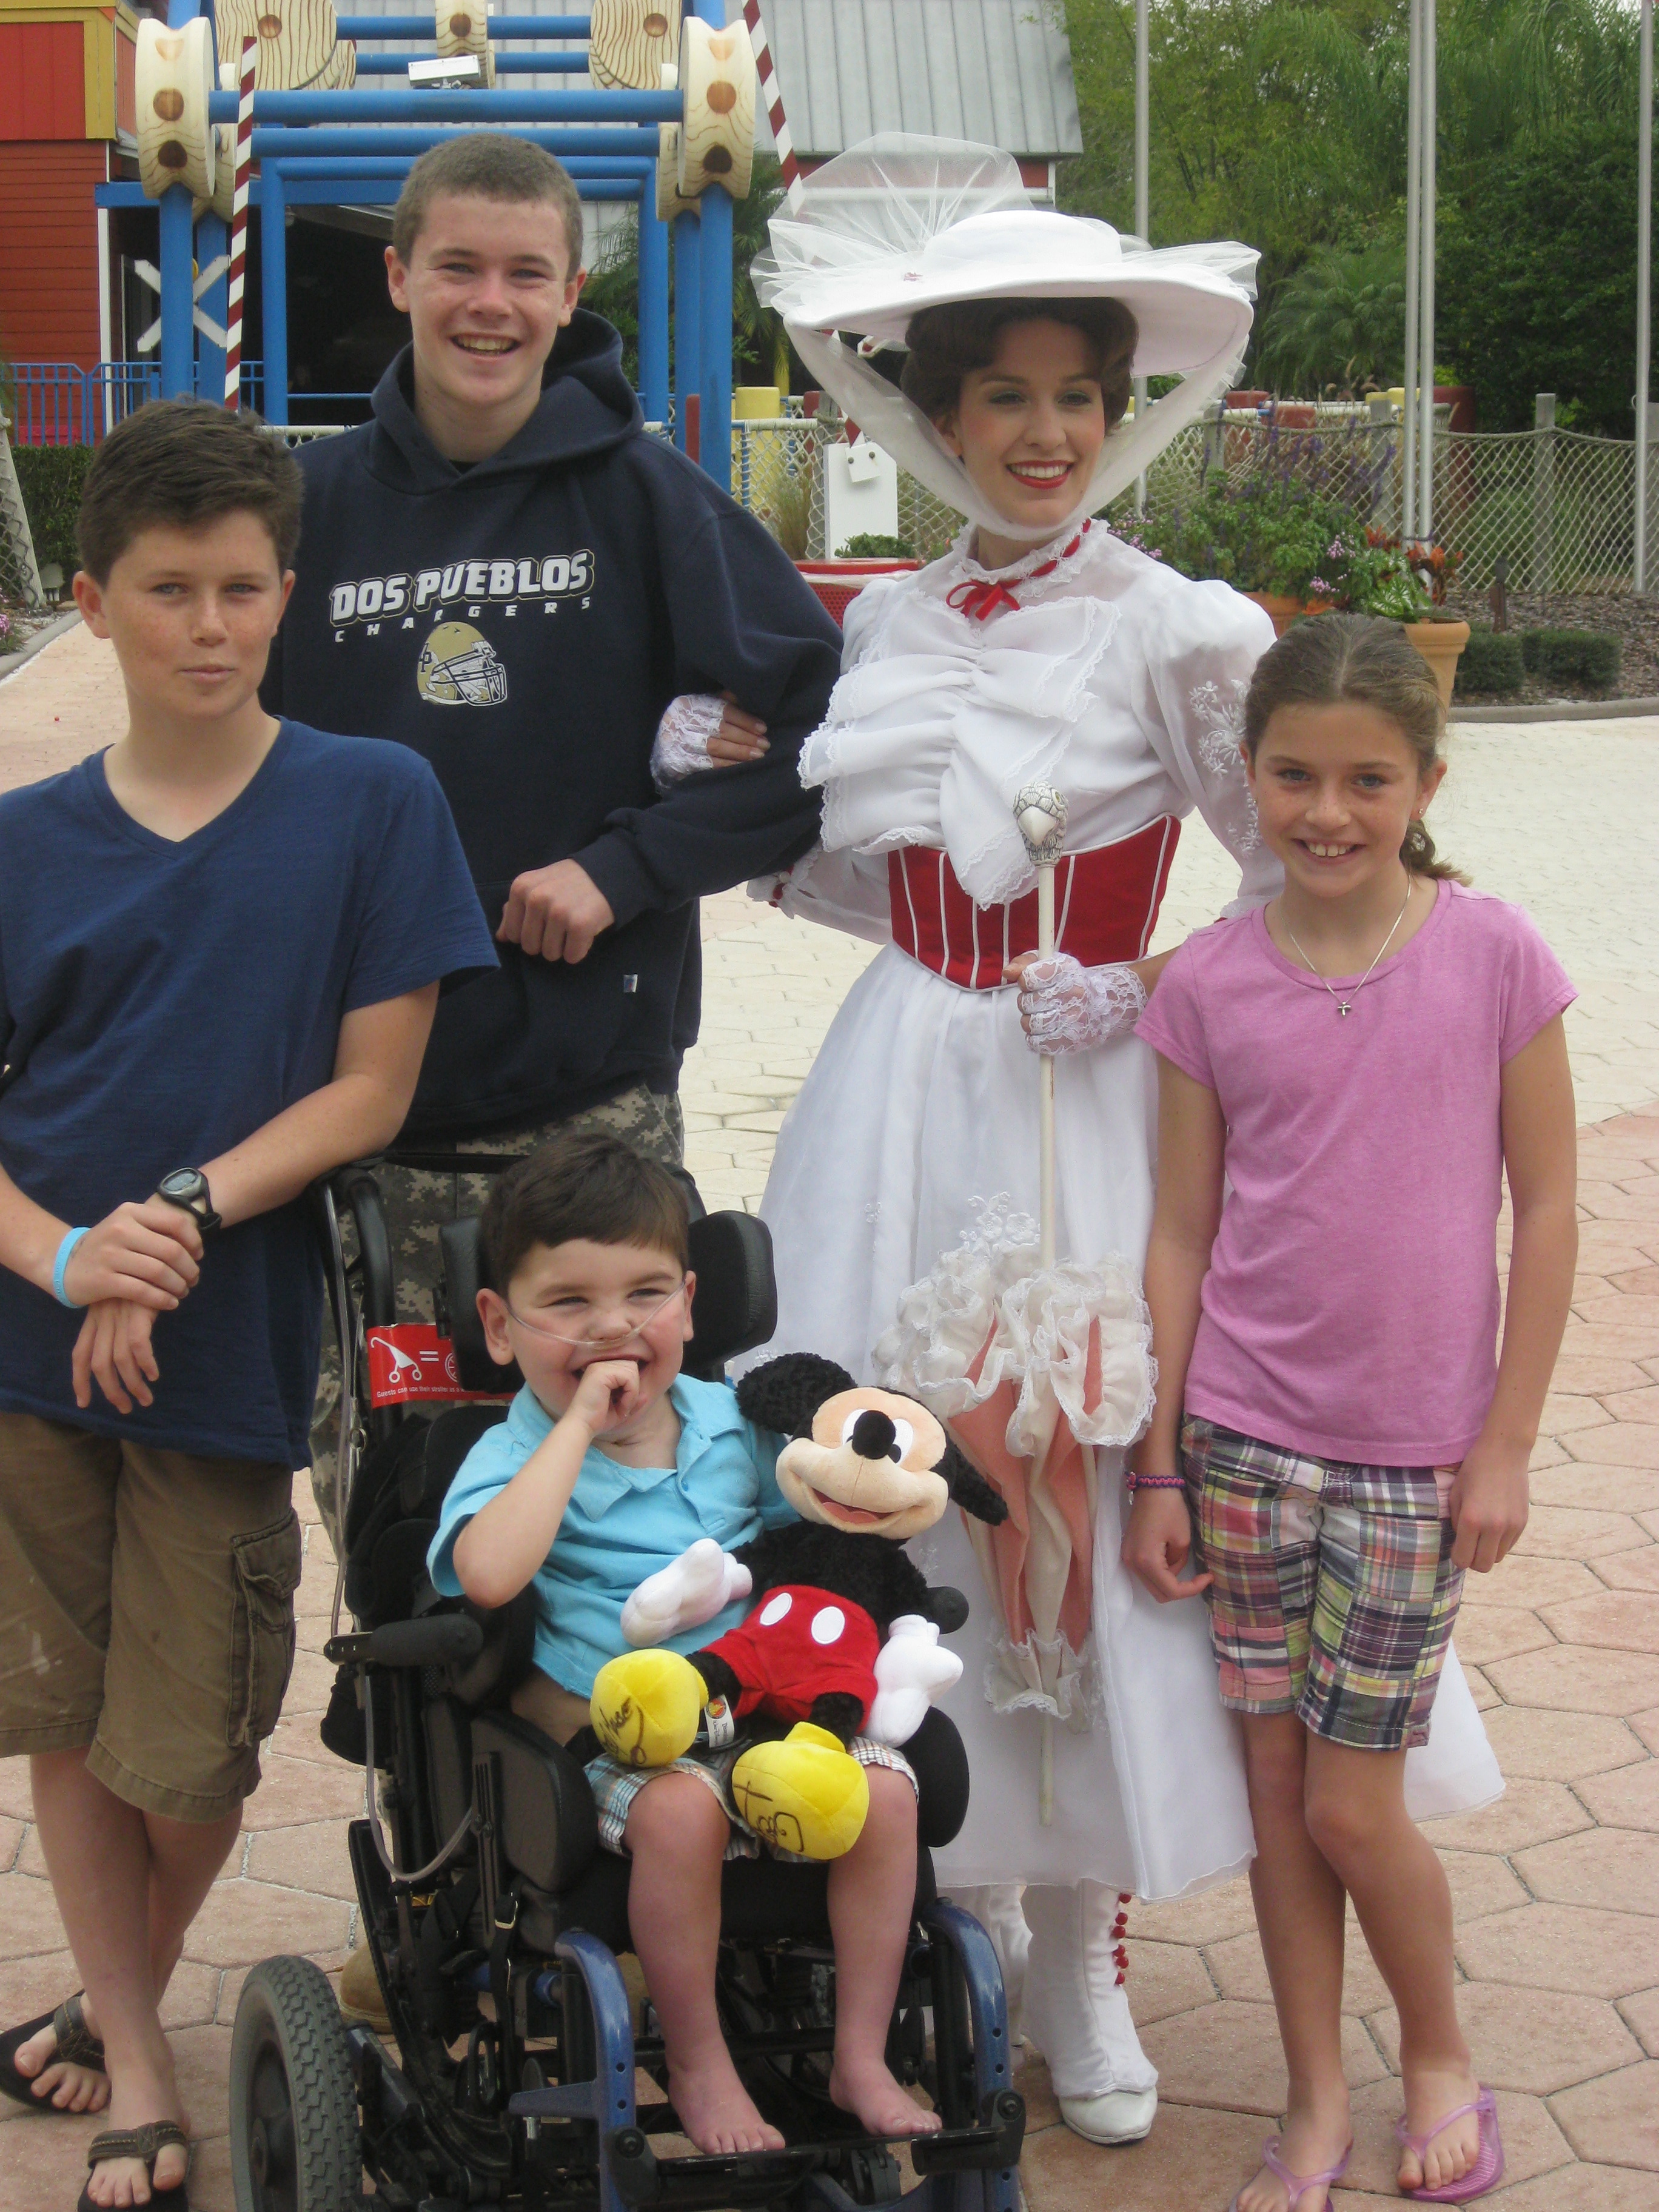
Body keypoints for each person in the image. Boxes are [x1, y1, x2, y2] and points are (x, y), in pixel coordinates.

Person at [674, 139, 1504, 2148]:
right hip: (900, 1090)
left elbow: (1294, 876)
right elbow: (878, 877)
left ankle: (1086, 1946)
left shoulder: (1177, 626)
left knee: (1096, 1482)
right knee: (897, 1477)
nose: (1042, 434)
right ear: (939, 416)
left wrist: (1140, 990)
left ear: (1115, 413)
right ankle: (934, 1902)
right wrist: (726, 805)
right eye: (1004, 397)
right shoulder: (883, 622)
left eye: (1074, 397)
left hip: (1094, 1102)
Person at [0, 401, 496, 2210]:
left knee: (197, 1739)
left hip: (228, 1339)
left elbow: (371, 1091)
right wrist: (67, 1257)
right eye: (166, 591)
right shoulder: (22, 840)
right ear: (93, 603)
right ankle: (136, 2060)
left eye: (239, 588)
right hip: (30, 1340)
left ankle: (111, 1999)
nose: (207, 625)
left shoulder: (372, 801)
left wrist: (179, 1214)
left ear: (288, 592)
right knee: (68, 1717)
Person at [1128, 615, 1577, 2210]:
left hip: (1411, 1462)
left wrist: (1506, 1443)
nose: (1328, 812)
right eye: (1295, 777)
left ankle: (1438, 2051)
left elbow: (1550, 1205)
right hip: (1240, 1445)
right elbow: (1180, 1234)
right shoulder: (1206, 986)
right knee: (1276, 1801)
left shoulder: (1497, 956)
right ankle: (1314, 2095)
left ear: (1425, 785)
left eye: (1367, 780)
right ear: (1248, 781)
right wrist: (1157, 1464)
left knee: (1349, 1802)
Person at [261, 130, 840, 1342]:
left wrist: (628, 866)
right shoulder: (308, 510)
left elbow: (827, 734)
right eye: (458, 267)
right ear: (398, 277)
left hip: (587, 1109)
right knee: (368, 1459)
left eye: (526, 273)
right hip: (345, 1105)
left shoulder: (647, 498)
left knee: (610, 1440)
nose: (491, 303)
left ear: (571, 294)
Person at [425, 1131, 939, 2157]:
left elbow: (822, 1534)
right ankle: (698, 2060)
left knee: (886, 1798)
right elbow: (487, 1576)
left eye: (646, 1295)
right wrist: (575, 1428)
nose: (613, 1326)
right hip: (630, 1738)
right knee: (679, 1814)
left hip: (774, 1711)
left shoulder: (733, 1423)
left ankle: (860, 2053)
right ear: (499, 1325)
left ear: (691, 1306)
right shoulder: (513, 1453)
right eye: (569, 1302)